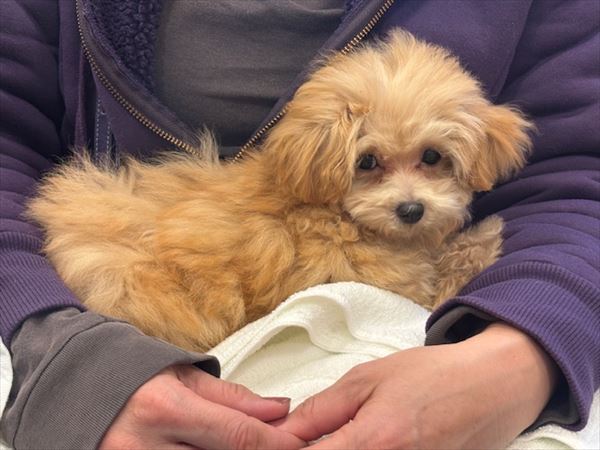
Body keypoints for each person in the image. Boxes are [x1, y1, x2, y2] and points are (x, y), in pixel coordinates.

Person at [0, 0, 598, 448]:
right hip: (99, 333)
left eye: (433, 160)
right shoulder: (328, 237)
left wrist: (527, 353)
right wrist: (68, 368)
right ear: (323, 167)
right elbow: (411, 296)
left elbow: (578, 171)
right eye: (370, 166)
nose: (409, 198)